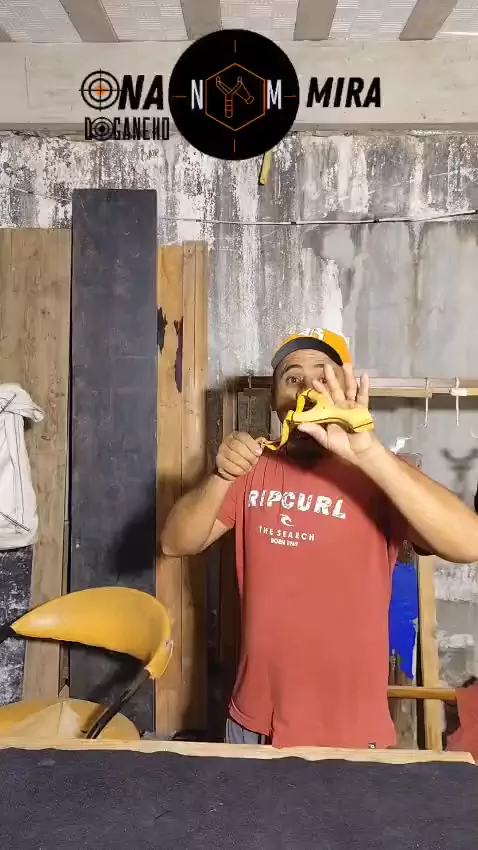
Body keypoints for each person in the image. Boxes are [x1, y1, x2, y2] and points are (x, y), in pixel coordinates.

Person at [160, 329, 478, 750]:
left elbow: (469, 543)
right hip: (252, 727)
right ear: (274, 400)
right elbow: (175, 542)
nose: (308, 389)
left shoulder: (383, 473)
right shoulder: (253, 468)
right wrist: (222, 475)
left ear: (345, 391)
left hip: (348, 736)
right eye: (292, 379)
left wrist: (368, 454)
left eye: (323, 378)